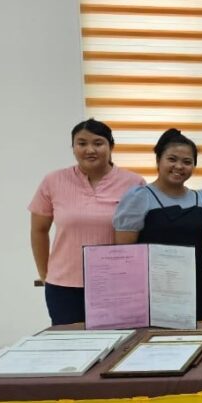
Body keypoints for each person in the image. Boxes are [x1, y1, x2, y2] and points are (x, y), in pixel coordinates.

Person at [29, 118, 146, 325]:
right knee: (69, 347)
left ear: (111, 147)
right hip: (64, 286)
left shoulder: (133, 182)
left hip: (116, 285)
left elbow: (143, 234)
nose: (90, 149)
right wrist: (45, 274)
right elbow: (39, 230)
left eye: (98, 143)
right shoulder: (53, 181)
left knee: (117, 347)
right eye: (81, 143)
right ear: (73, 148)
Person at [113, 129, 202, 320]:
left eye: (187, 162)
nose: (179, 166)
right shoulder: (139, 197)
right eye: (172, 159)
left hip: (196, 286)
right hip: (153, 292)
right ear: (158, 161)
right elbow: (124, 253)